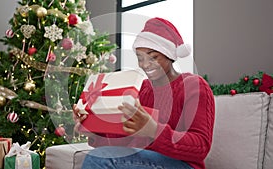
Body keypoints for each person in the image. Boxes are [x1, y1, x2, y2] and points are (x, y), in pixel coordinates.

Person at [73, 17, 215, 169]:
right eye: (140, 58)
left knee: (100, 159)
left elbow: (201, 147)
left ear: (170, 55)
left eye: (153, 57)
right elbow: (123, 142)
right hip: (141, 162)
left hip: (182, 164)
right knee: (100, 155)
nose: (145, 65)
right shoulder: (141, 89)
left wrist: (154, 130)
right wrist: (93, 131)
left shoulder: (193, 85)